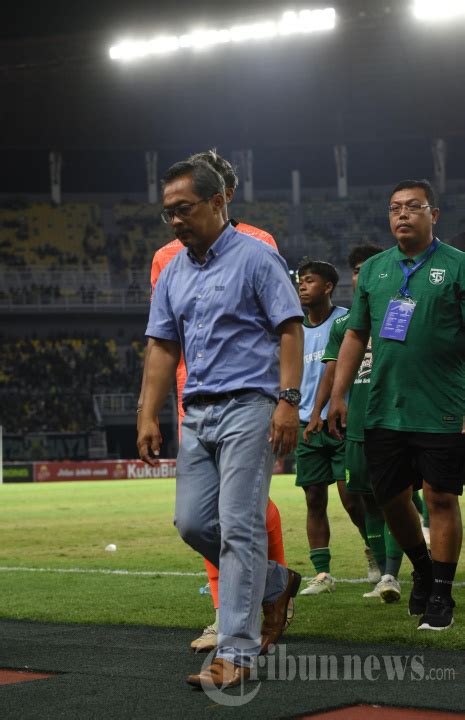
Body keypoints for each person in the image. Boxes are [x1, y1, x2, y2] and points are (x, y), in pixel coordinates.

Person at [137, 159, 304, 689]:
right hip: (197, 412)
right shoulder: (174, 269)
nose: (176, 221)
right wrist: (147, 412)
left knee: (239, 528)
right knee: (192, 524)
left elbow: (290, 328)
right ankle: (275, 582)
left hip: (250, 406)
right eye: (168, 214)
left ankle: (236, 652)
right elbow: (162, 346)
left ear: (217, 202)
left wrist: (287, 401)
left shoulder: (258, 257)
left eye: (184, 210)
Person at [328, 179, 465, 630]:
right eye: (394, 208)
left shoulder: (458, 267)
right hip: (385, 407)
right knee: (389, 499)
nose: (402, 214)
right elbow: (355, 335)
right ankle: (423, 571)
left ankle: (441, 594)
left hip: (443, 405)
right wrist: (338, 394)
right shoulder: (375, 270)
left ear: (433, 214)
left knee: (441, 497)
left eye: (412, 207)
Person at [308, 244, 405, 602]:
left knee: (398, 497)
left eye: (369, 268)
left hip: (396, 420)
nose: (361, 276)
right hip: (357, 426)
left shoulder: (398, 313)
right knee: (364, 501)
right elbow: (334, 373)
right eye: (357, 270)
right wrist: (331, 405)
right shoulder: (345, 325)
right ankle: (385, 572)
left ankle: (397, 572)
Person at [295, 259, 372, 595]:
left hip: (340, 422)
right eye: (300, 281)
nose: (302, 286)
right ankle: (323, 574)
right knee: (314, 498)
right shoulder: (293, 329)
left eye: (309, 281)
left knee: (352, 499)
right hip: (305, 425)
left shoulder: (345, 322)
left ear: (327, 287)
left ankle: (374, 553)